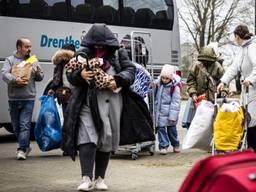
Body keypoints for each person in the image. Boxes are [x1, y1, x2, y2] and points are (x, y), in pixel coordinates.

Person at [61, 24, 136, 191]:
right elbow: (70, 74)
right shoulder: (82, 54)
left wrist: (117, 79)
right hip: (87, 102)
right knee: (87, 136)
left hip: (111, 102)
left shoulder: (119, 53)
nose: (99, 47)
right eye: (95, 44)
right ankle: (86, 178)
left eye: (102, 44)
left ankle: (100, 178)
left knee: (106, 138)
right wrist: (80, 75)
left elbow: (130, 71)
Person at [1, 37, 44, 160]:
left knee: (25, 125)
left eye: (30, 46)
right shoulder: (10, 60)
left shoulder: (32, 60)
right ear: (19, 48)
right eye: (27, 47)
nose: (29, 49)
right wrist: (15, 79)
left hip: (28, 98)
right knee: (16, 127)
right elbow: (4, 74)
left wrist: (38, 72)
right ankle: (26, 145)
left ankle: (21, 149)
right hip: (14, 98)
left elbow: (40, 77)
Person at [217, 24, 256, 152]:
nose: (234, 40)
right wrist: (223, 81)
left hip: (253, 89)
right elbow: (233, 68)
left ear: (237, 36)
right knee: (247, 120)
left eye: (234, 37)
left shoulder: (252, 47)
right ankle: (250, 150)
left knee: (252, 122)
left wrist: (250, 79)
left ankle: (252, 151)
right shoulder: (243, 49)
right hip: (247, 91)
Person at [152, 64, 182, 155]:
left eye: (167, 78)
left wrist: (173, 116)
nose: (164, 80)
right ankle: (163, 146)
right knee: (161, 130)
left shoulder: (174, 87)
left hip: (170, 114)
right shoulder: (158, 84)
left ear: (171, 78)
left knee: (171, 131)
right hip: (160, 113)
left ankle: (175, 144)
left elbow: (176, 103)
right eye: (163, 78)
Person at [45, 44, 76, 114]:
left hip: (64, 94)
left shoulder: (59, 64)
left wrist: (52, 89)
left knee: (65, 115)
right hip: (72, 95)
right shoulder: (76, 63)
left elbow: (56, 80)